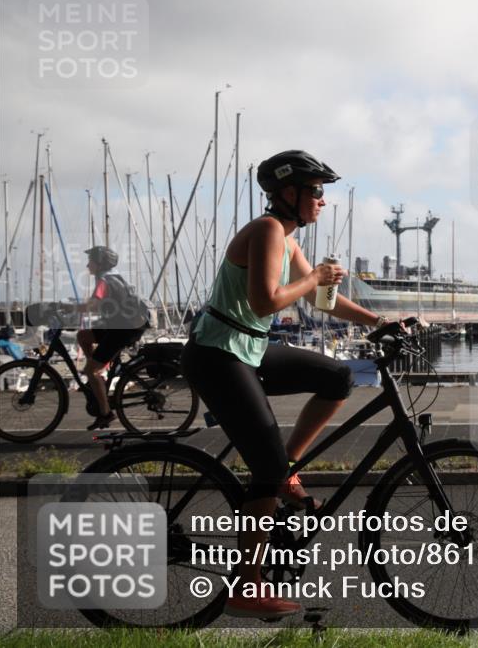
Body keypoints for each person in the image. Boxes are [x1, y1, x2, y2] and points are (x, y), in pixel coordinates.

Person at [180, 150, 392, 619]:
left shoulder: (287, 239)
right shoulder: (268, 231)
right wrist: (315, 276)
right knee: (266, 471)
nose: (322, 201)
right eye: (316, 191)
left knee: (336, 376)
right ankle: (247, 587)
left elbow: (322, 301)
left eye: (323, 193)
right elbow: (263, 303)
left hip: (245, 349)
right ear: (288, 193)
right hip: (218, 354)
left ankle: (288, 466)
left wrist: (381, 321)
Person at [76, 246, 148, 429]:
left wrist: (68, 308)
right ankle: (98, 376)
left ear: (100, 263)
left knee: (90, 370)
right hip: (119, 326)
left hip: (123, 329)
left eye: (90, 260)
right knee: (83, 336)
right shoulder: (112, 277)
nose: (87, 264)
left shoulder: (105, 280)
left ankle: (106, 413)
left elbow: (93, 304)